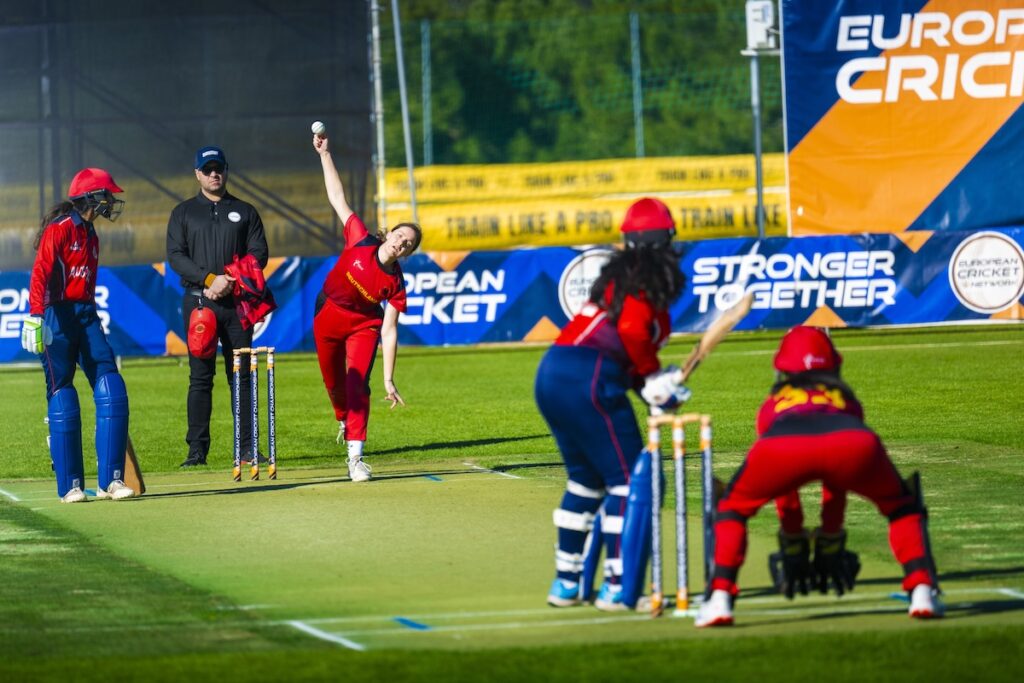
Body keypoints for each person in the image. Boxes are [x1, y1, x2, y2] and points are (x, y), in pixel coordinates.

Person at [696, 326, 943, 627]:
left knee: (732, 508)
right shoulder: (846, 399)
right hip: (853, 442)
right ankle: (922, 591)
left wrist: (794, 536)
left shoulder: (771, 405)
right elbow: (836, 480)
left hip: (781, 446)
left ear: (783, 367)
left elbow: (785, 489)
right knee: (901, 505)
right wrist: (829, 532)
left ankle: (720, 599)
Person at [535, 198, 691, 611]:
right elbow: (633, 332)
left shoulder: (617, 281)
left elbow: (632, 350)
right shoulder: (643, 281)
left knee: (585, 482)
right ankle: (616, 587)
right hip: (590, 376)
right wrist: (655, 377)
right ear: (666, 241)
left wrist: (653, 386)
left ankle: (566, 584)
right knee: (626, 481)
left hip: (553, 374)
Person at [311, 132, 421, 482]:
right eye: (399, 236)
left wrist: (389, 377)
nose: (401, 243)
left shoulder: (396, 283)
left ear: (407, 253)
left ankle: (356, 457)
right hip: (328, 313)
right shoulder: (360, 237)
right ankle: (343, 419)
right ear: (388, 234)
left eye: (407, 244)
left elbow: (389, 329)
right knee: (335, 386)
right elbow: (337, 197)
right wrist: (325, 154)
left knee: (359, 384)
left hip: (364, 325)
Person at [21, 168, 136, 502]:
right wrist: (35, 315)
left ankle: (111, 481)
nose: (111, 201)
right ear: (90, 198)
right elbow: (41, 270)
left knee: (112, 386)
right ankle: (70, 484)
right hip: (57, 315)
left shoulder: (91, 235)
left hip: (86, 314)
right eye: (106, 195)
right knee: (62, 392)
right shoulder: (59, 230)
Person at [167, 146, 269, 467]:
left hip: (238, 305)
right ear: (197, 173)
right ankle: (197, 451)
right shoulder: (183, 213)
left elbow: (259, 254)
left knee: (241, 377)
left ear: (226, 170)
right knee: (200, 378)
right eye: (207, 169)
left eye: (219, 168)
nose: (214, 174)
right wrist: (210, 279)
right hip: (200, 304)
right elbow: (176, 257)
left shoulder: (246, 211)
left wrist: (230, 278)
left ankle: (247, 449)